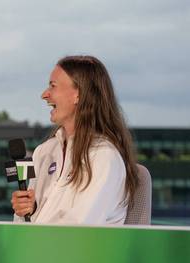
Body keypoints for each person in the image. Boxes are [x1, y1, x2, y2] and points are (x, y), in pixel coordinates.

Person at [11, 55, 138, 224]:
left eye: (53, 86)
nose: (44, 95)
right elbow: (21, 226)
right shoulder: (44, 152)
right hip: (37, 248)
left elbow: (77, 231)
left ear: (78, 94)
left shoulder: (103, 157)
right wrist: (29, 210)